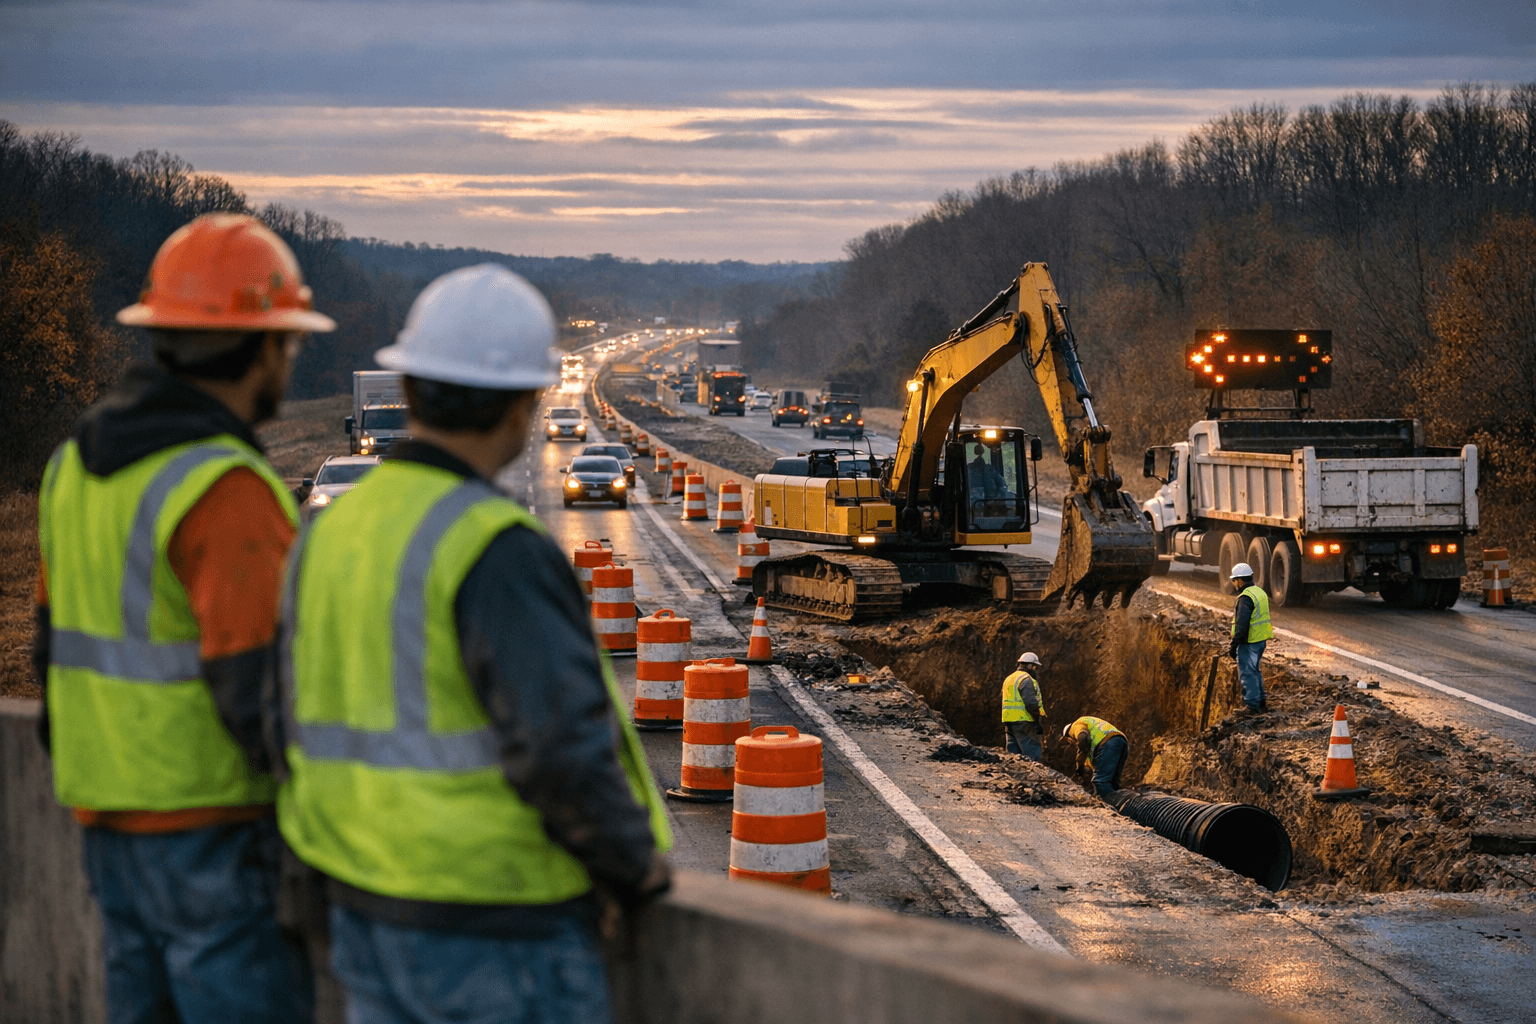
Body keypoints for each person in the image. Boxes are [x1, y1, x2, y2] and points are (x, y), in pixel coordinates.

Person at [270, 264, 672, 1024]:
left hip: (361, 901)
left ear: (411, 391)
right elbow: (560, 746)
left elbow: (277, 716)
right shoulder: (496, 547)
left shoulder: (327, 533)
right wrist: (631, 866)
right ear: (526, 404)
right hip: (498, 922)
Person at [33, 213, 332, 1023]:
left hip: (107, 820)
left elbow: (49, 650)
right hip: (214, 831)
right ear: (264, 348)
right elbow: (260, 693)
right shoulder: (225, 487)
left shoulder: (74, 466)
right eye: (287, 342)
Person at [1227, 561, 1272, 711]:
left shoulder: (1245, 598)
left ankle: (1252, 705)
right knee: (1255, 671)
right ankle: (1261, 703)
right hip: (1260, 640)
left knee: (1247, 673)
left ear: (1239, 580)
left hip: (1249, 641)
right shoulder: (1259, 592)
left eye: (1234, 580)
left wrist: (1234, 645)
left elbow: (1242, 625)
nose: (1234, 584)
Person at [1063, 716, 1128, 796]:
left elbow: (1082, 738)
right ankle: (1123, 805)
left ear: (1069, 738)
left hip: (1107, 742)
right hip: (1121, 740)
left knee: (1100, 783)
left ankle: (1108, 806)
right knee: (1113, 782)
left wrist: (1079, 764)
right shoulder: (1091, 729)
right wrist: (1082, 767)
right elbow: (1092, 765)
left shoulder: (1075, 726)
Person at [1001, 652, 1046, 761]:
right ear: (1030, 665)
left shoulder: (1009, 679)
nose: (1035, 670)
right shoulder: (1026, 679)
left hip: (1009, 721)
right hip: (1024, 721)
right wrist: (1037, 723)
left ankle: (1015, 777)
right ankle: (1036, 777)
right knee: (1033, 753)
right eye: (1035, 667)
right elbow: (1031, 703)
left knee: (1014, 756)